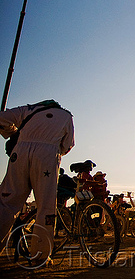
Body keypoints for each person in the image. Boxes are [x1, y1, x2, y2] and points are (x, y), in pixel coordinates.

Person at [0, 100, 74, 265]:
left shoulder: (27, 109)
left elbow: (1, 119)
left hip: (19, 152)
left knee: (6, 203)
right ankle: (40, 255)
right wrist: (55, 151)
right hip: (47, 156)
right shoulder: (66, 116)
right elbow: (68, 144)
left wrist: (14, 133)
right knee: (46, 206)